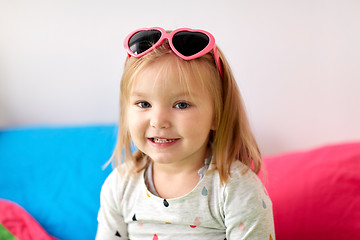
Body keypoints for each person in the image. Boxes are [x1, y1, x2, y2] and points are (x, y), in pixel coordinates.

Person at [96, 27, 275, 240]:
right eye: (143, 103)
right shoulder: (120, 185)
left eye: (181, 104)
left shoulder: (236, 190)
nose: (158, 121)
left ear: (217, 115)